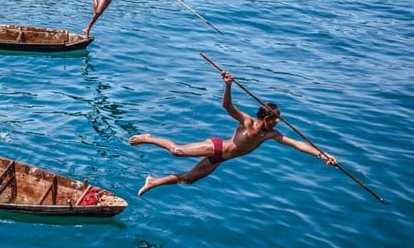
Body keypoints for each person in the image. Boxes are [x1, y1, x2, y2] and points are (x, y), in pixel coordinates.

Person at [131, 70, 338, 196]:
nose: (277, 123)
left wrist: (322, 155)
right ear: (265, 118)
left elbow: (297, 144)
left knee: (188, 179)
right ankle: (148, 138)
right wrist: (228, 85)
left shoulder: (271, 134)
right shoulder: (247, 121)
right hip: (217, 146)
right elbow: (228, 106)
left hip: (220, 159)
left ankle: (153, 182)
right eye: (275, 120)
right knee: (177, 151)